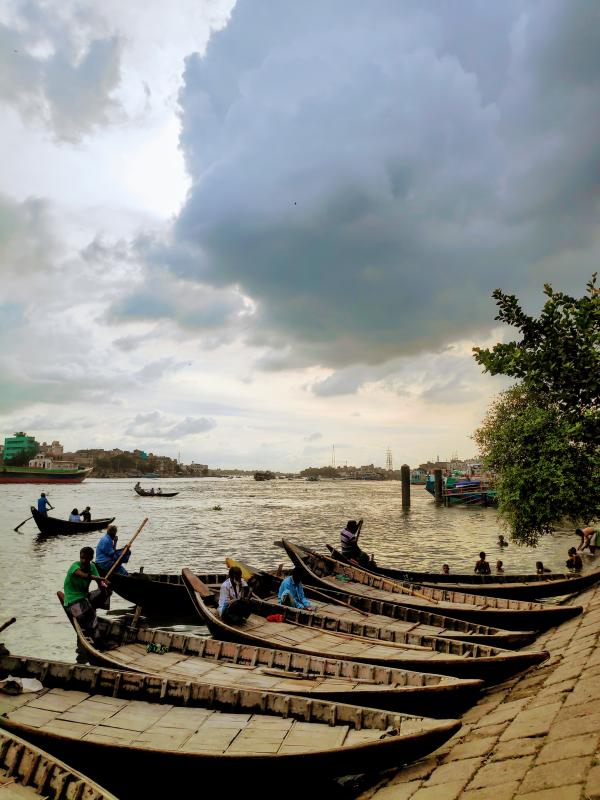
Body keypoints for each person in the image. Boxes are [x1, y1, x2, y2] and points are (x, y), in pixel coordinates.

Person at [63, 546, 109, 642]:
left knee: (106, 591)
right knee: (90, 617)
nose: (83, 560)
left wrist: (104, 585)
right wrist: (98, 578)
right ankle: (97, 639)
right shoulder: (75, 566)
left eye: (86, 558)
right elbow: (83, 575)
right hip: (72, 600)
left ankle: (91, 608)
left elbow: (100, 584)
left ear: (91, 559)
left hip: (84, 597)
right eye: (82, 558)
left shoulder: (92, 566)